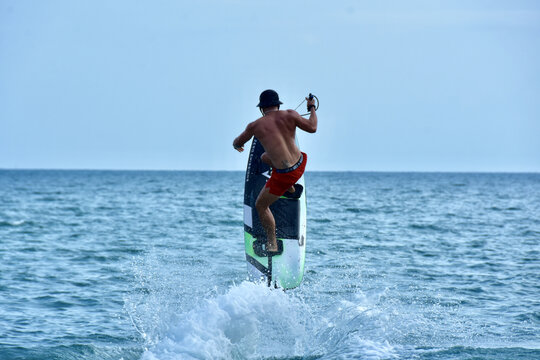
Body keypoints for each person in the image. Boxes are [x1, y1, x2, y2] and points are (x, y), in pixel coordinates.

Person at [233, 89, 318, 255]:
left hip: (285, 175)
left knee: (261, 205)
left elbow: (238, 141)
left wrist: (237, 146)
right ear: (278, 105)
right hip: (300, 163)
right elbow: (313, 127)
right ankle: (292, 189)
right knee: (265, 157)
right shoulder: (291, 114)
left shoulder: (254, 126)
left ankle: (272, 243)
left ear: (261, 108)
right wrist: (312, 108)